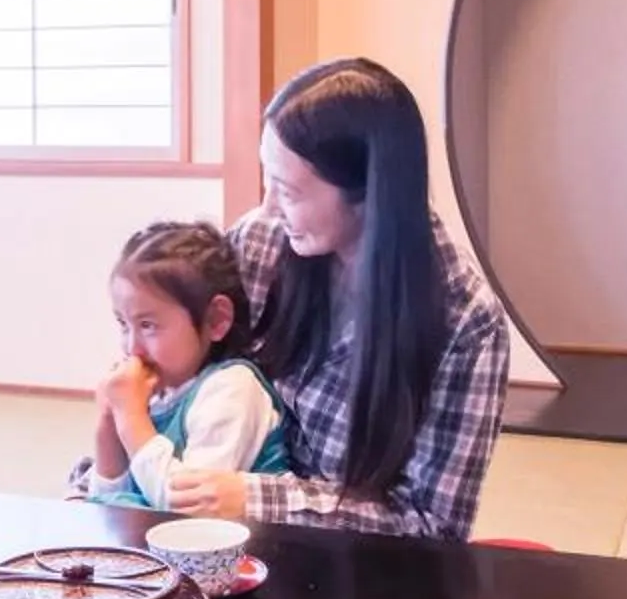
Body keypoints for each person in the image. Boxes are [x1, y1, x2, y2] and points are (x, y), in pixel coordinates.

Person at [165, 58, 509, 539]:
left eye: (288, 191)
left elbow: (432, 524)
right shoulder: (261, 242)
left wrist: (255, 498)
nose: (267, 207)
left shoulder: (466, 321)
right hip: (228, 542)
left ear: (368, 191)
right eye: (269, 180)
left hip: (360, 571)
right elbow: (171, 384)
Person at [72, 221, 290, 509]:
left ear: (215, 320)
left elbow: (188, 510)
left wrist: (131, 419)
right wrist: (108, 424)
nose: (131, 347)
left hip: (244, 550)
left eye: (148, 325)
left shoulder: (233, 388)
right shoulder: (152, 391)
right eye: (123, 324)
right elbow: (107, 505)